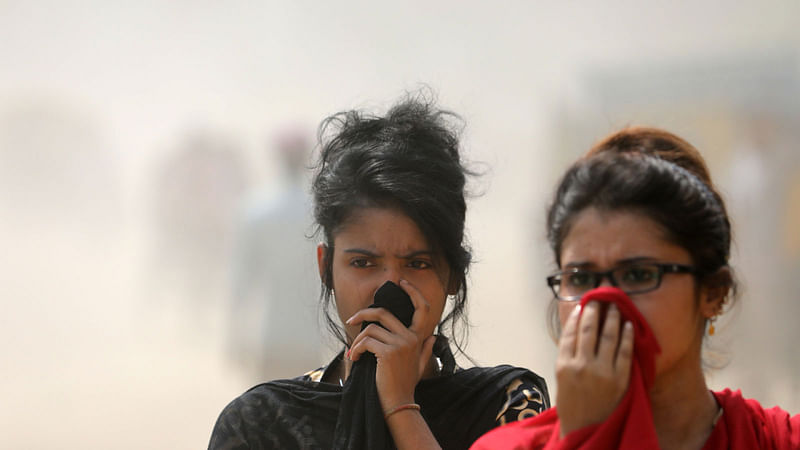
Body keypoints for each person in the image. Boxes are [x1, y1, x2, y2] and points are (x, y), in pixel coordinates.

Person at [209, 95, 550, 449]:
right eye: (363, 263)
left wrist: (401, 408)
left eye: (417, 264)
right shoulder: (261, 422)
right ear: (326, 268)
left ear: (453, 275)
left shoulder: (506, 406)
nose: (388, 289)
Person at [472, 127, 799, 449]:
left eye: (639, 274)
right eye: (582, 279)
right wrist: (583, 435)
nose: (604, 301)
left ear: (713, 292)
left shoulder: (777, 440)